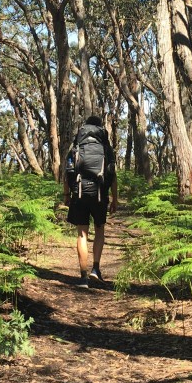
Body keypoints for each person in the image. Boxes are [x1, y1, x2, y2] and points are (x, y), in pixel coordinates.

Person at [63, 115, 118, 288]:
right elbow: (112, 174)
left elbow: (68, 173)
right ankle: (95, 268)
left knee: (82, 234)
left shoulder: (77, 146)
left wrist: (66, 195)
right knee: (99, 230)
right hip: (100, 193)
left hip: (79, 193)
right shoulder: (105, 147)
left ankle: (83, 277)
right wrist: (115, 199)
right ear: (101, 128)